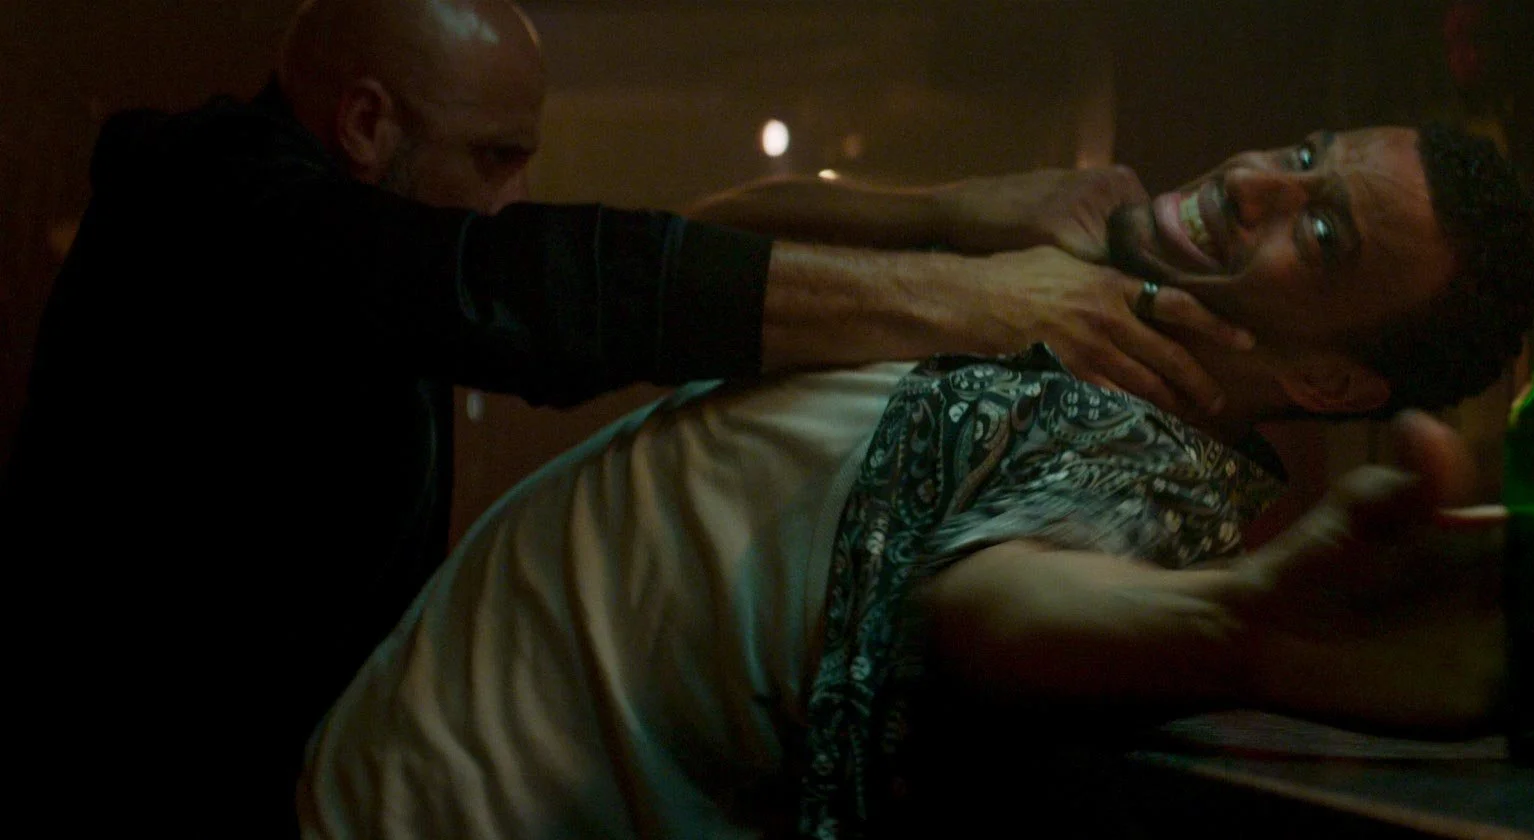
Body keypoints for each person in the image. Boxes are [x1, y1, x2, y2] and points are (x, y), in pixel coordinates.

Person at [297, 123, 1534, 839]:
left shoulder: (1151, 460)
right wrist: (958, 220)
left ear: (1332, 384)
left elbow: (994, 604)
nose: (1255, 186)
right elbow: (706, 244)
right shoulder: (1048, 310)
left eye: (1319, 235)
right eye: (1301, 155)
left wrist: (1236, 630)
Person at [1, 0, 1243, 827]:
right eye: (496, 157)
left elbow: (684, 246)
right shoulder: (214, 202)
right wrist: (977, 301)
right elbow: (543, 291)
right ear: (367, 124)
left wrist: (949, 215)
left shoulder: (335, 226)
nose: (514, 193)